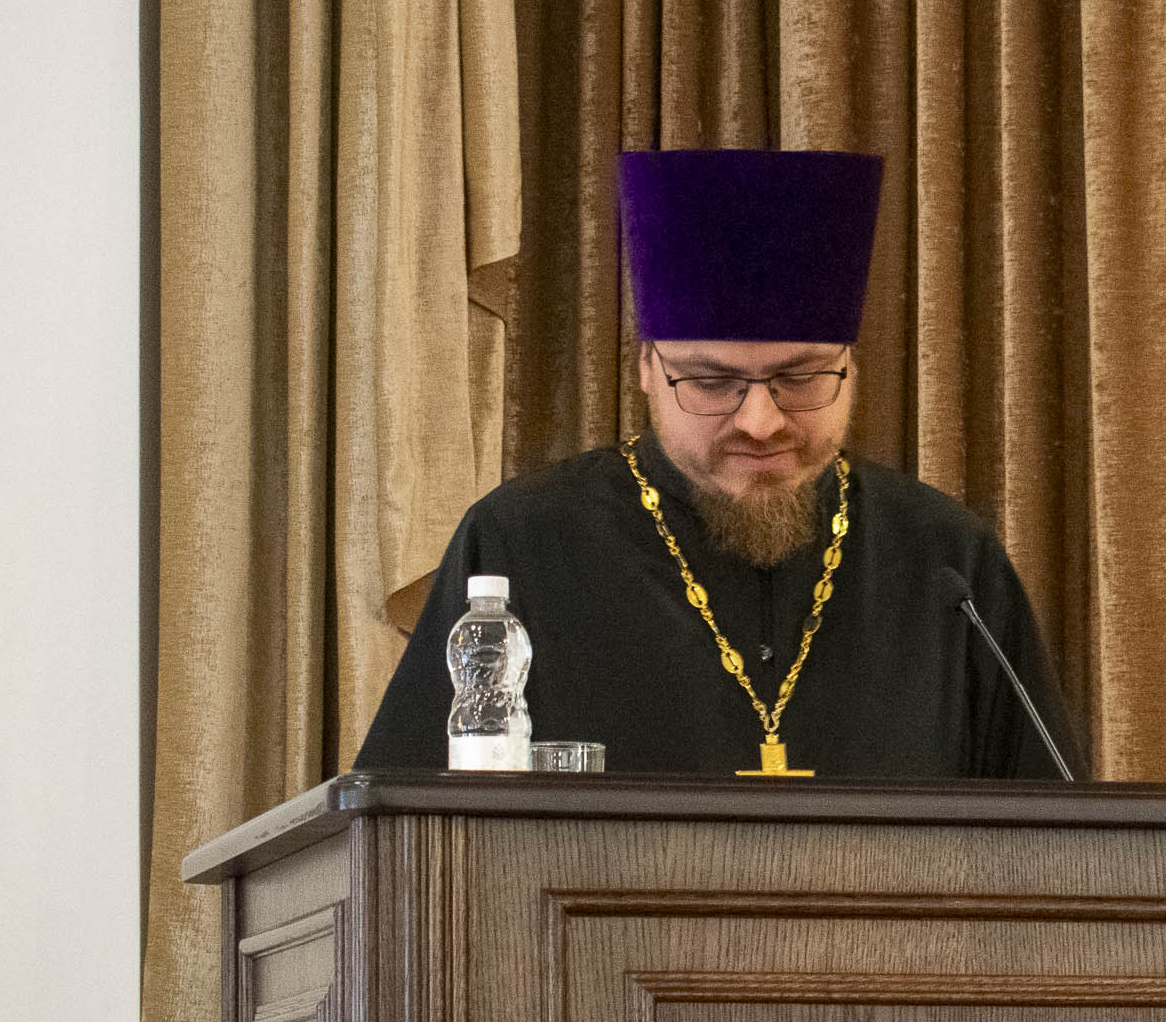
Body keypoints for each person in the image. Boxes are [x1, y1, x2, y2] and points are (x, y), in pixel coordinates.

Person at [354, 148, 1083, 779]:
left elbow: (1055, 846)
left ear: (851, 368)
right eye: (711, 383)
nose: (760, 422)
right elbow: (411, 833)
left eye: (800, 378)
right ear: (646, 368)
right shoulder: (523, 545)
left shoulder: (946, 562)